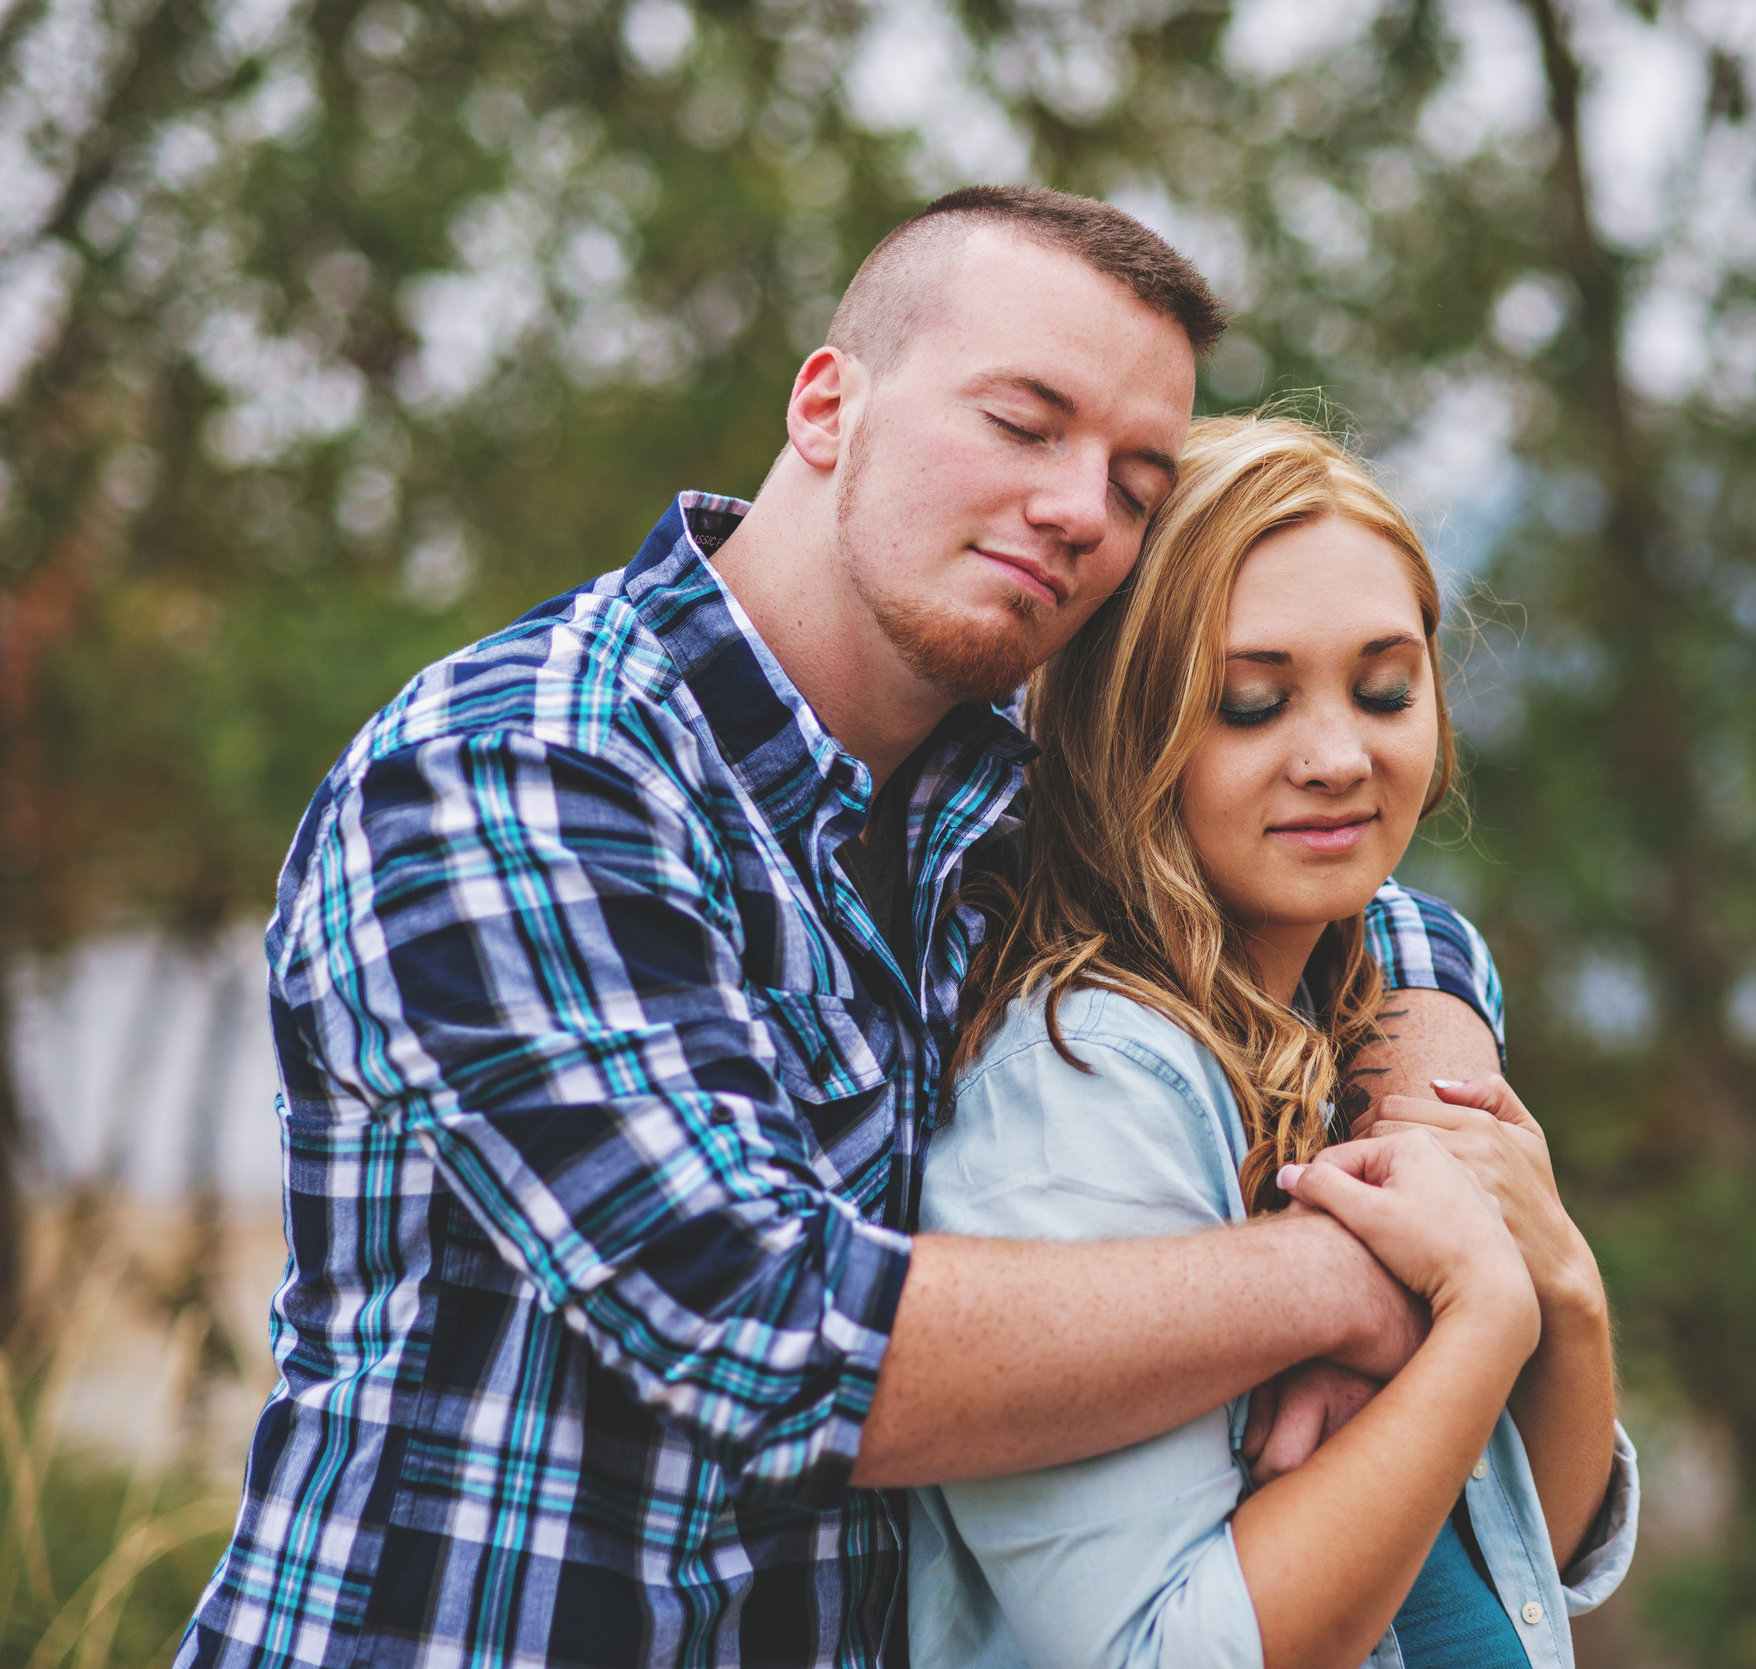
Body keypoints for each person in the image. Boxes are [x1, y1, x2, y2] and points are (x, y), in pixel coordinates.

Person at [177, 189, 1529, 1669]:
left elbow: (1362, 907)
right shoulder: (521, 767)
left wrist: (1420, 1119)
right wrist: (1369, 1275)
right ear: (829, 404)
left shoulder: (1001, 811)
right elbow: (763, 1332)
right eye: (1024, 423)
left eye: (1139, 482)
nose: (1084, 509)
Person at [909, 416, 1635, 1669]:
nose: (1338, 758)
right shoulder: (1086, 1081)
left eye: (1385, 688)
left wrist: (1559, 1290)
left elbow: (1529, 1561)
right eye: (1250, 704)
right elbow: (1161, 1650)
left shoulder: (1354, 1025)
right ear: (1126, 731)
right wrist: (1475, 1319)